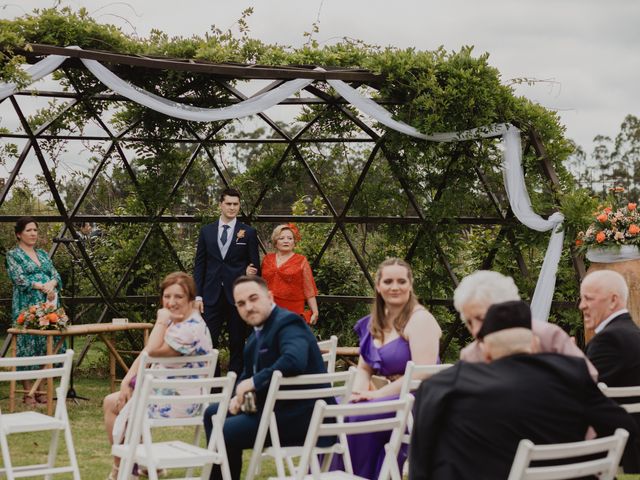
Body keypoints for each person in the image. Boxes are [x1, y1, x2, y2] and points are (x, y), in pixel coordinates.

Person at [409, 300, 640, 480]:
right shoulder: (572, 373)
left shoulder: (440, 387)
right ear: (535, 345)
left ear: (486, 354)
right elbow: (624, 427)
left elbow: (421, 466)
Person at [203, 275, 329, 480]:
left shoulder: (288, 322)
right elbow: (248, 372)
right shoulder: (256, 334)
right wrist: (237, 396)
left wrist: (252, 384)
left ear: (269, 297)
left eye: (254, 299)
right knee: (213, 413)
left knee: (225, 430)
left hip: (302, 416)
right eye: (241, 303)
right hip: (274, 410)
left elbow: (293, 360)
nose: (249, 307)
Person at [103, 272, 213, 480]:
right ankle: (144, 465)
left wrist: (161, 321)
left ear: (190, 299)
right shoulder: (180, 321)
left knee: (113, 403)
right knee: (125, 399)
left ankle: (121, 469)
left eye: (178, 297)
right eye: (167, 296)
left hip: (181, 401)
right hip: (165, 392)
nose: (171, 302)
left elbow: (151, 350)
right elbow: (147, 355)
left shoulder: (190, 329)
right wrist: (128, 379)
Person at [346, 258, 441, 479]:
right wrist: (359, 393)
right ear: (378, 286)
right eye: (388, 281)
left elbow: (422, 371)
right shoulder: (376, 322)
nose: (395, 287)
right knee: (341, 411)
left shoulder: (420, 320)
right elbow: (364, 369)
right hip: (390, 397)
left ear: (410, 284)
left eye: (401, 281)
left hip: (418, 401)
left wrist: (376, 394)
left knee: (361, 417)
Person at [454, 269, 598, 380]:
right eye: (469, 322)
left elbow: (589, 376)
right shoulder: (471, 354)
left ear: (506, 306)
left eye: (481, 318)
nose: (476, 330)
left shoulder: (548, 336)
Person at [193, 187, 260, 375]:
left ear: (239, 206)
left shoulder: (248, 232)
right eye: (228, 204)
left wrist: (246, 272)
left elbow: (255, 267)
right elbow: (200, 265)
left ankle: (235, 383)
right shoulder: (206, 231)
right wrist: (198, 295)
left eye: (235, 204)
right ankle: (213, 385)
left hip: (237, 296)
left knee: (237, 342)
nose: (232, 208)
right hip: (210, 295)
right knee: (208, 341)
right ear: (220, 205)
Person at [581, 269, 640, 472]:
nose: (581, 306)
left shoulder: (610, 340)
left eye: (588, 299)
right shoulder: (633, 334)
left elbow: (583, 391)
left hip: (619, 445)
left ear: (613, 300)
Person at [5, 216, 63, 405]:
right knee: (27, 345)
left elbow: (55, 274)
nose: (33, 234)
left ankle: (42, 389)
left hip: (48, 304)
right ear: (19, 234)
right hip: (27, 303)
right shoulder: (13, 255)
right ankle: (28, 392)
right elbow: (19, 279)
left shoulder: (43, 254)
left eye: (35, 230)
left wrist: (52, 284)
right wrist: (41, 286)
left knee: (45, 345)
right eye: (29, 230)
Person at [249, 223, 319, 325]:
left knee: (288, 337)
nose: (286, 241)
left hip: (293, 309)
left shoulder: (301, 260)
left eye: (290, 238)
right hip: (268, 307)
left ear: (294, 242)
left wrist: (315, 311)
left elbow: (309, 289)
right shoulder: (267, 259)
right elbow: (260, 283)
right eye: (282, 238)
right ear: (275, 241)